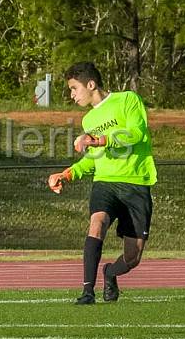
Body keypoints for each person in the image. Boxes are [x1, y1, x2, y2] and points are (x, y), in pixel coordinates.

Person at [47, 62, 156, 304]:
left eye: (74, 88)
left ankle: (110, 273)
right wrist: (67, 174)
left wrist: (100, 139)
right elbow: (93, 160)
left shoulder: (128, 100)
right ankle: (87, 291)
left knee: (133, 257)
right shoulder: (89, 120)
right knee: (96, 224)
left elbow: (136, 134)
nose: (72, 95)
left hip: (135, 183)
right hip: (105, 183)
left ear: (91, 84)